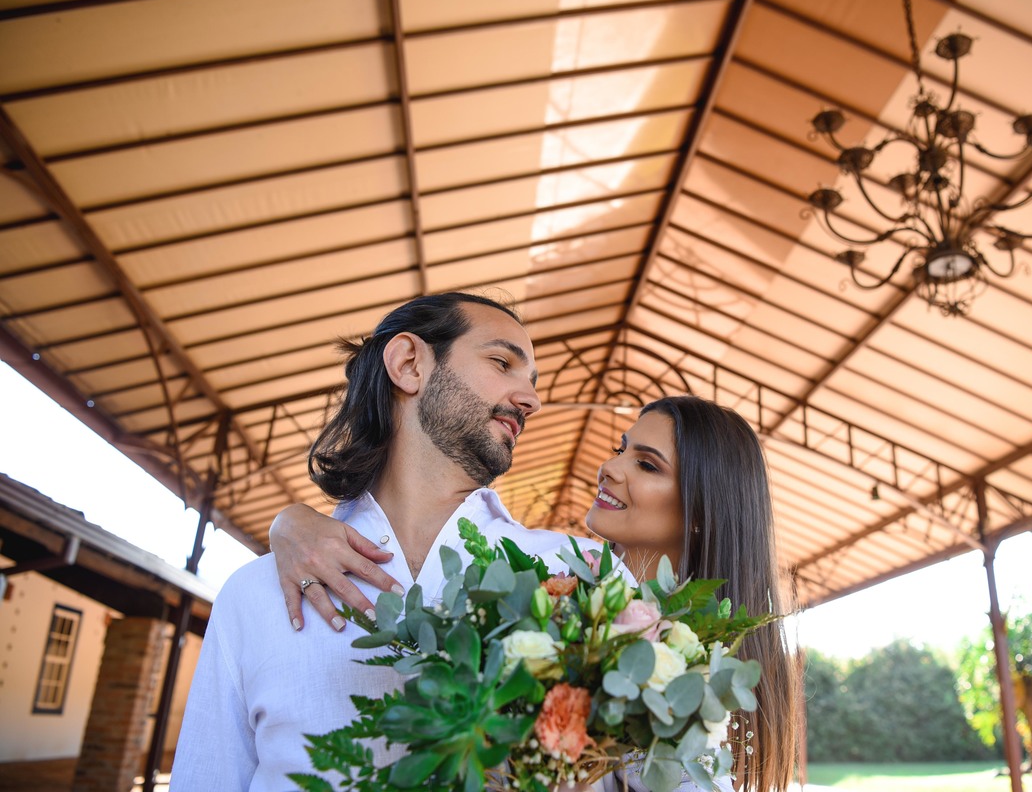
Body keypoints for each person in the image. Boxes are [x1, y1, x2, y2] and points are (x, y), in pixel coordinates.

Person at [172, 292, 617, 791]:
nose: (532, 400)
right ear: (409, 365)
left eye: (531, 381)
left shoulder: (583, 574)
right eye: (502, 362)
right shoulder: (255, 594)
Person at [271, 396, 801, 791]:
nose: (610, 467)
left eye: (646, 464)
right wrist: (291, 522)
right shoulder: (558, 579)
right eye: (621, 449)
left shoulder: (700, 672)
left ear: (704, 512)